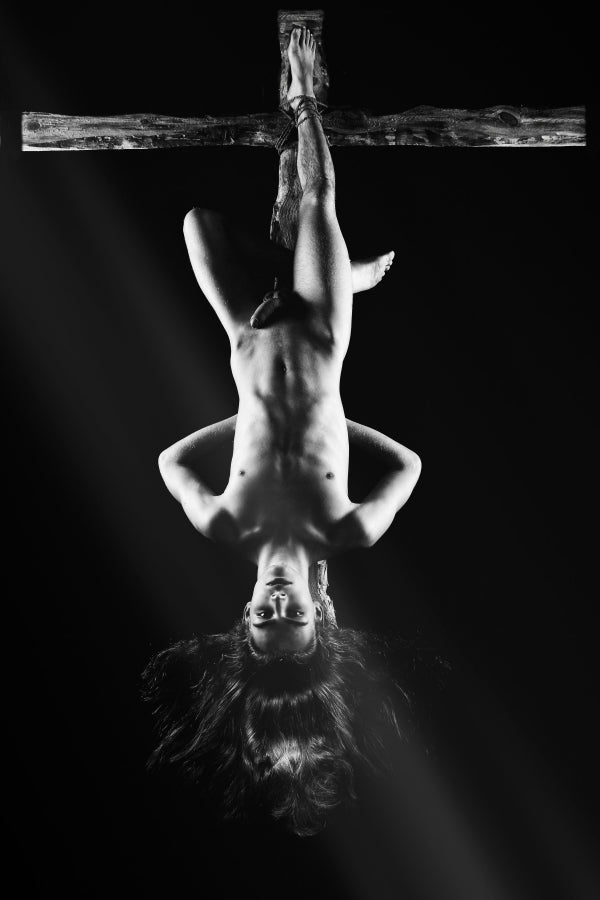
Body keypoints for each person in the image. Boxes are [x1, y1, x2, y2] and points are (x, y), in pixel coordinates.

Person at [146, 26, 423, 834]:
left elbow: (170, 461)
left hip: (251, 335)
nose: (275, 607)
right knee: (318, 202)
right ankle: (306, 104)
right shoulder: (346, 528)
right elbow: (408, 465)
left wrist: (255, 415)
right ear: (317, 617)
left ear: (244, 621)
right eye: (291, 620)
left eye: (262, 622)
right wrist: (323, 410)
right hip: (321, 335)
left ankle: (339, 273)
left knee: (198, 225)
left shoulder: (224, 521)